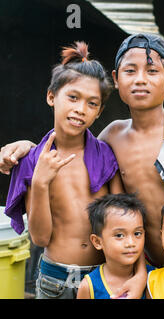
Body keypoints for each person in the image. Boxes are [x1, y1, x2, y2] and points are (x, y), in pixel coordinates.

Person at [0, 34, 164, 275]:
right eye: (130, 71)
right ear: (116, 79)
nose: (140, 80)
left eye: (152, 71)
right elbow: (72, 143)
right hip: (146, 271)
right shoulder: (112, 137)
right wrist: (29, 148)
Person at [2, 42, 145, 299]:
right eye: (73, 97)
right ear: (51, 96)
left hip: (102, 278)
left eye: (92, 104)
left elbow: (125, 219)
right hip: (53, 280)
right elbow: (41, 237)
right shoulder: (33, 161)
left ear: (99, 111)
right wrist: (41, 182)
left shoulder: (104, 156)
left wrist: (138, 273)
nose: (81, 109)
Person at [77, 193, 150, 299]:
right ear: (97, 242)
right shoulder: (89, 286)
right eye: (119, 235)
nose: (131, 243)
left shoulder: (154, 278)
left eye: (137, 233)